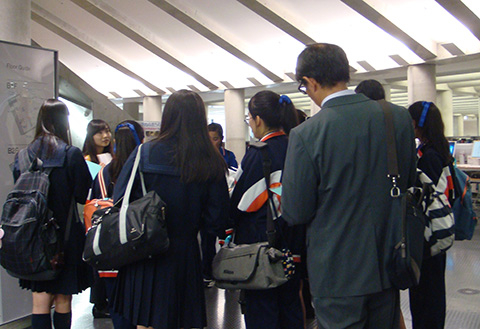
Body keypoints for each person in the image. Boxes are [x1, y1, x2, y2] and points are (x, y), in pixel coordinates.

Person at [281, 43, 417, 329]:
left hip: (336, 272)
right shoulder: (397, 118)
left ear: (310, 82)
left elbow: (296, 211)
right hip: (390, 261)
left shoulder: (306, 133)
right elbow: (408, 180)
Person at [112, 90, 230, 329]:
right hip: (184, 254)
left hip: (143, 250)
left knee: (145, 321)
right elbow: (217, 219)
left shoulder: (143, 153)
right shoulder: (211, 159)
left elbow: (120, 198)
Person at [12, 99, 92, 329]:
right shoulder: (71, 154)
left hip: (32, 237)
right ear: (63, 121)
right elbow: (81, 195)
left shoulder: (23, 156)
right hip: (64, 238)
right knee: (63, 299)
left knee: (40, 300)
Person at [230, 90, 304, 329]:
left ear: (258, 119)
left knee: (262, 313)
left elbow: (242, 204)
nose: (250, 125)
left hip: (262, 252)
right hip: (294, 246)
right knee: (290, 309)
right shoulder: (299, 147)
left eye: (249, 119)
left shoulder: (259, 153)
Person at [89, 120, 144, 329]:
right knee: (140, 309)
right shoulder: (144, 169)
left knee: (117, 308)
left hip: (109, 252)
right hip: (140, 250)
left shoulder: (103, 174)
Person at [408, 101, 452, 329]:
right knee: (432, 293)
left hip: (429, 234)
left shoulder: (429, 157)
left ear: (416, 123)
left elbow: (423, 197)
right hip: (438, 233)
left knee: (427, 296)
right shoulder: (439, 150)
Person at [82, 118, 113, 318]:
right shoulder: (86, 160)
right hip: (95, 215)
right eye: (99, 132)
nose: (105, 136)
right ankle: (99, 302)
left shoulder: (113, 156)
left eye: (107, 131)